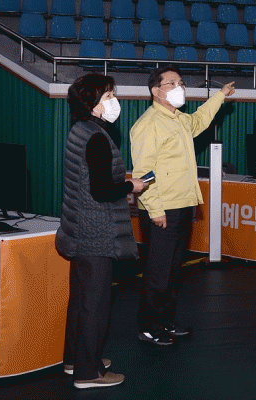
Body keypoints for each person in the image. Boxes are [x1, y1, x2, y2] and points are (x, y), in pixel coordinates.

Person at [130, 66, 235, 346]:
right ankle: (149, 326)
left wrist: (220, 95)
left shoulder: (178, 119)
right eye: (172, 83)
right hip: (163, 209)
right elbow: (143, 173)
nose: (180, 87)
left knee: (173, 271)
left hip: (181, 205)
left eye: (181, 82)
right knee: (158, 272)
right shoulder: (149, 124)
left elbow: (200, 119)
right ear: (156, 91)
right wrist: (154, 209)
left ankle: (166, 320)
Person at [56, 74, 148, 389]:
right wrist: (131, 185)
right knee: (95, 304)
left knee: (81, 300)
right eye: (107, 95)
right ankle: (88, 372)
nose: (113, 101)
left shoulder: (79, 130)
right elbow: (102, 190)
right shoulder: (97, 138)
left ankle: (75, 359)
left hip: (77, 229)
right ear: (92, 103)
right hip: (96, 233)